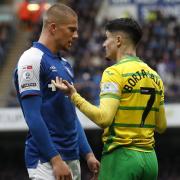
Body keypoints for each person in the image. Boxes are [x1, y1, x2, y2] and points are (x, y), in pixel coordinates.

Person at [52, 18, 167, 180]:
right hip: (150, 161)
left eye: (107, 38)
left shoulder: (114, 73)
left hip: (122, 157)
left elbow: (103, 118)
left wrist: (74, 96)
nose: (104, 44)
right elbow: (161, 126)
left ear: (118, 40)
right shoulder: (155, 77)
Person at [14, 3, 100, 180]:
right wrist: (55, 160)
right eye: (71, 29)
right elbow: (32, 116)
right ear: (53, 28)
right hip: (46, 161)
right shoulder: (31, 59)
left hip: (72, 158)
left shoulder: (65, 65)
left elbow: (70, 115)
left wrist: (88, 154)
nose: (76, 35)